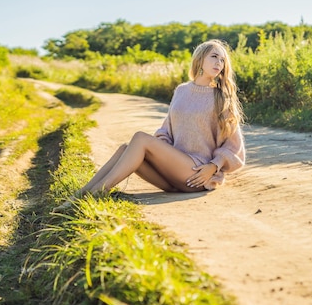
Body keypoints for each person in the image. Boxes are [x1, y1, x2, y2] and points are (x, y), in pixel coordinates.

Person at [54, 39, 245, 210]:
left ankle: (97, 193)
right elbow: (166, 130)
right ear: (200, 59)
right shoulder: (181, 91)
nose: (219, 63)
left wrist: (214, 166)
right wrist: (162, 153)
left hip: (197, 173)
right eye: (214, 57)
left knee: (140, 138)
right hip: (172, 177)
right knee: (125, 149)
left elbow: (234, 146)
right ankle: (79, 196)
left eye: (222, 60)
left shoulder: (221, 98)